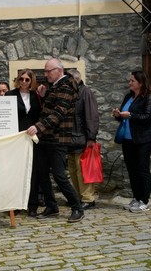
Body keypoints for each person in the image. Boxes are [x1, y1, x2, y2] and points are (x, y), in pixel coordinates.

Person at [26, 57, 84, 223]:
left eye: (48, 71)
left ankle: (77, 207)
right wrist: (44, 97)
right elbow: (50, 108)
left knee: (59, 175)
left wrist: (38, 127)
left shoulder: (66, 86)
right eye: (44, 71)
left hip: (59, 138)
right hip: (46, 138)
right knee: (42, 173)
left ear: (59, 70)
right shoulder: (55, 86)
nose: (45, 74)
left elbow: (59, 113)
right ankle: (52, 206)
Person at [112, 70, 151, 213]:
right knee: (132, 170)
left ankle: (144, 200)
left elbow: (147, 117)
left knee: (142, 170)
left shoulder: (147, 97)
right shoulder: (128, 96)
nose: (130, 83)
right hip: (127, 140)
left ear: (140, 83)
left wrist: (131, 115)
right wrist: (118, 114)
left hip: (142, 140)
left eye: (132, 81)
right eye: (130, 80)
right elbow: (124, 116)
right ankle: (136, 197)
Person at [5, 69, 42, 216]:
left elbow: (40, 115)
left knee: (33, 171)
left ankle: (32, 205)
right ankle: (15, 204)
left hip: (32, 137)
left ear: (31, 81)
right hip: (16, 138)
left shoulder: (37, 96)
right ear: (18, 80)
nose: (24, 82)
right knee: (16, 171)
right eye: (22, 79)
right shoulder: (10, 95)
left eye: (27, 80)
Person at [67, 69, 99, 210]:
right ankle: (80, 196)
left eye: (69, 80)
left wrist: (91, 137)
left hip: (82, 138)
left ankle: (88, 198)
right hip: (71, 139)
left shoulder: (85, 92)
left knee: (83, 170)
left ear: (76, 79)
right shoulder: (71, 94)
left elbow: (91, 116)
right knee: (73, 170)